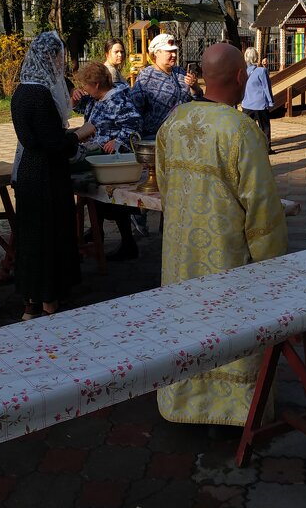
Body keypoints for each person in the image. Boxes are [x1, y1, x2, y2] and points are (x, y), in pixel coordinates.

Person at [155, 43, 288, 427]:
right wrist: (272, 266)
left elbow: (164, 183)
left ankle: (184, 404)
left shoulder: (174, 121)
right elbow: (262, 210)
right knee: (230, 326)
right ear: (239, 78)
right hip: (228, 260)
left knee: (187, 324)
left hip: (181, 256)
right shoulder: (242, 130)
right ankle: (234, 410)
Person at [10, 32, 96, 319]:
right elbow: (53, 143)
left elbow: (35, 137)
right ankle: (50, 302)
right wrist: (80, 134)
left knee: (32, 237)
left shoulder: (22, 90)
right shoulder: (39, 94)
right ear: (49, 58)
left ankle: (30, 302)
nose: (61, 63)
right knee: (50, 237)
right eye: (59, 57)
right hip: (46, 174)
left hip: (29, 173)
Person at [72, 60, 141, 261]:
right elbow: (88, 112)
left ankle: (128, 243)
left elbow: (135, 122)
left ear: (96, 85)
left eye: (86, 85)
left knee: (114, 201)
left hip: (114, 159)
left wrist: (118, 140)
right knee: (96, 196)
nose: (84, 88)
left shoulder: (117, 100)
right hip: (99, 155)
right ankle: (97, 231)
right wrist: (76, 100)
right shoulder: (98, 98)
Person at [130, 33, 201, 139]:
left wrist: (194, 87)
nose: (174, 55)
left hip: (184, 135)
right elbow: (134, 109)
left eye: (174, 51)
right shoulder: (146, 77)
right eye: (169, 51)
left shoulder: (180, 72)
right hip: (156, 138)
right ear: (157, 53)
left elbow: (197, 99)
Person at [241, 46, 275, 154]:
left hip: (246, 104)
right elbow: (266, 87)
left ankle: (247, 148)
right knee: (264, 127)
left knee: (247, 128)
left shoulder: (243, 72)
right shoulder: (262, 71)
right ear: (256, 57)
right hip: (260, 104)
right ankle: (266, 148)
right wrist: (270, 101)